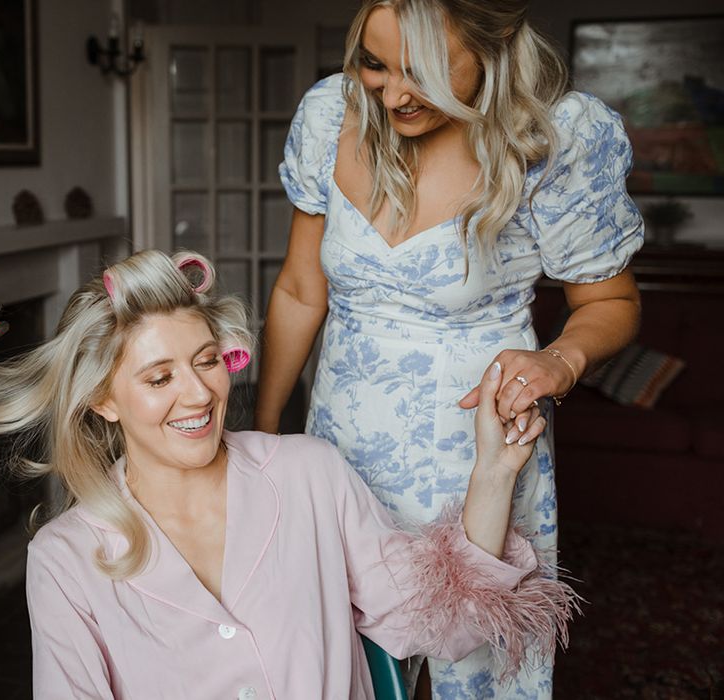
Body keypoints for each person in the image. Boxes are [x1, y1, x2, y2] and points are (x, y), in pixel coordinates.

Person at [0, 250, 577, 699]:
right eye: (159, 377)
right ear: (103, 400)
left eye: (207, 362)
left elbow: (440, 625)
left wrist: (494, 472)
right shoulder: (65, 558)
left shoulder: (311, 473)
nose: (198, 394)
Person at [254, 0, 643, 696]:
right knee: (337, 664)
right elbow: (299, 290)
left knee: (480, 673)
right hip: (339, 453)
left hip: (479, 456)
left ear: (493, 50)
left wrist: (559, 360)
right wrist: (260, 440)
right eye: (375, 63)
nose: (395, 94)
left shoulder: (555, 139)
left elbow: (609, 303)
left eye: (423, 73)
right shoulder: (327, 116)